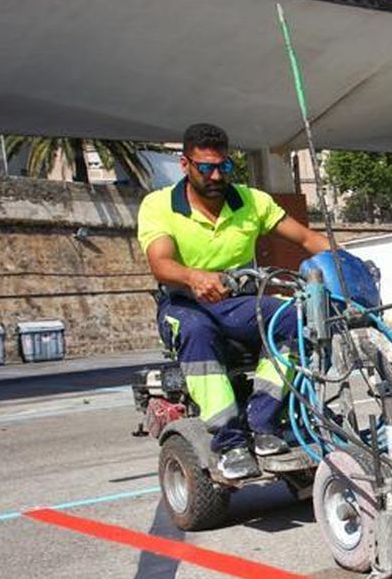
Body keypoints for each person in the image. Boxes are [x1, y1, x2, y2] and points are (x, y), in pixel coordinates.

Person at [136, 122, 332, 480]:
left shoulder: (252, 201)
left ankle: (263, 423)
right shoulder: (160, 205)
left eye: (223, 167)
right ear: (185, 165)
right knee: (196, 329)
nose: (215, 176)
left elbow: (305, 237)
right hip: (184, 302)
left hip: (238, 300)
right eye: (206, 167)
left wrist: (346, 264)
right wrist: (193, 277)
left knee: (292, 316)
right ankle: (229, 443)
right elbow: (160, 263)